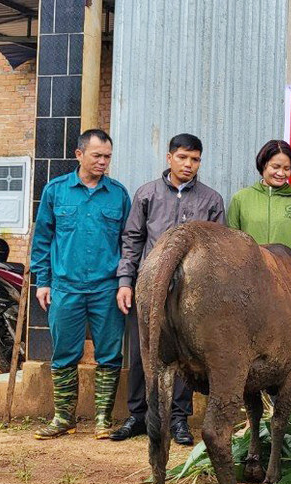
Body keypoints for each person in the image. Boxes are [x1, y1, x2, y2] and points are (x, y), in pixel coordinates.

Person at [112, 133, 225, 445]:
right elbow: (132, 239)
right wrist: (125, 283)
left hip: (191, 296)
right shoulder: (147, 194)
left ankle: (178, 419)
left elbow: (217, 251)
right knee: (141, 353)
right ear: (169, 158)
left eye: (195, 159)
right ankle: (137, 415)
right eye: (183, 158)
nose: (188, 165)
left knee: (186, 358)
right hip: (149, 289)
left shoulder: (211, 200)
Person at [30, 129, 131, 439]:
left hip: (106, 288)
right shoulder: (56, 191)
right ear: (79, 155)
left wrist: (124, 282)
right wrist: (42, 281)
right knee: (63, 353)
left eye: (108, 157)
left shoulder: (118, 194)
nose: (103, 162)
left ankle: (102, 419)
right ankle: (63, 417)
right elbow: (43, 239)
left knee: (110, 354)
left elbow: (128, 242)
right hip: (65, 286)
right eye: (97, 156)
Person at [227, 140, 291, 294]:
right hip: (249, 278)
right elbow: (232, 242)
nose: (281, 173)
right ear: (263, 165)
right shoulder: (241, 199)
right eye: (275, 167)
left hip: (287, 277)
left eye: (287, 168)